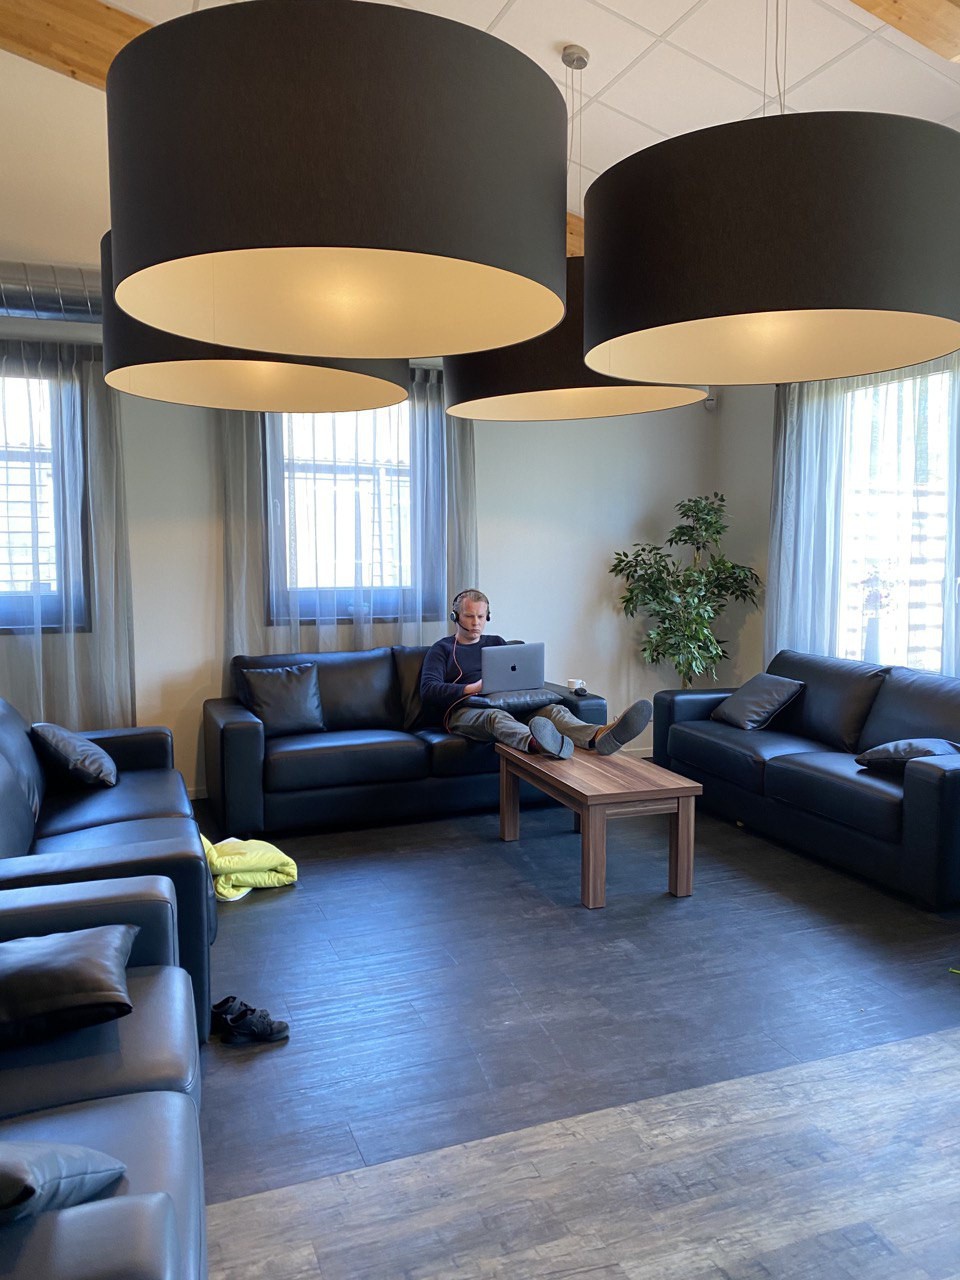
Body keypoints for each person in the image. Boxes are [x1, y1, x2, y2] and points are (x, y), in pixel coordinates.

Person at [419, 588, 652, 759]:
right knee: (495, 718)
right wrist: (473, 688)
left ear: (487, 616)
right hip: (466, 710)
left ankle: (598, 736)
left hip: (508, 703)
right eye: (469, 616)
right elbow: (428, 690)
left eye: (481, 617)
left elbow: (516, 677)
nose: (476, 623)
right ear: (456, 616)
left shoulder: (496, 642)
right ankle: (539, 743)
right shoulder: (442, 649)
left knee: (555, 711)